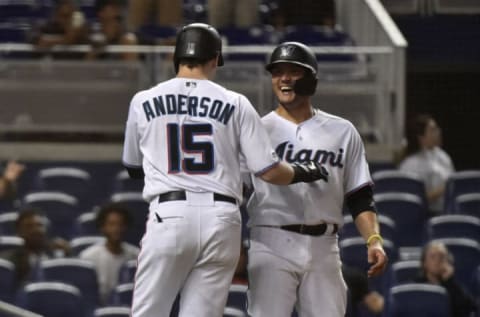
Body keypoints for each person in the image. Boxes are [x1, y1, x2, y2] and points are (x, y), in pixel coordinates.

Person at [122, 23, 329, 317]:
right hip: (221, 219)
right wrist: (305, 170)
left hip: (169, 213)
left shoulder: (143, 101)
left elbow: (132, 167)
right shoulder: (236, 102)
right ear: (213, 59)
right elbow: (269, 171)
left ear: (177, 57)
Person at [244, 42, 388, 317]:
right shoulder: (257, 129)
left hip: (324, 246)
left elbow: (360, 198)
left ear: (312, 79)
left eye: (293, 71)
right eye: (277, 72)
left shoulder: (342, 131)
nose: (283, 78)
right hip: (271, 239)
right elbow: (236, 189)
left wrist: (374, 239)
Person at [79, 202, 139, 305]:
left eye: (120, 224)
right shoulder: (88, 257)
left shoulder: (136, 255)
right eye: (111, 224)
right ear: (103, 227)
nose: (116, 229)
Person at [0, 208, 71, 289]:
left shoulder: (57, 258)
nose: (36, 230)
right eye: (29, 226)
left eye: (39, 225)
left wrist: (69, 256)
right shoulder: (7, 260)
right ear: (19, 232)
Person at [399, 114, 455, 213]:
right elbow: (412, 200)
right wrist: (442, 190)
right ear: (421, 137)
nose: (438, 132)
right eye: (433, 130)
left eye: (437, 129)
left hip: (448, 211)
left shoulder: (444, 156)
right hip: (424, 215)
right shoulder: (409, 164)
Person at [414, 241, 477, 317]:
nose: (438, 260)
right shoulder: (416, 287)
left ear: (448, 261)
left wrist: (449, 282)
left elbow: (469, 309)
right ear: (424, 263)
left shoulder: (454, 287)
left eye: (441, 256)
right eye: (433, 256)